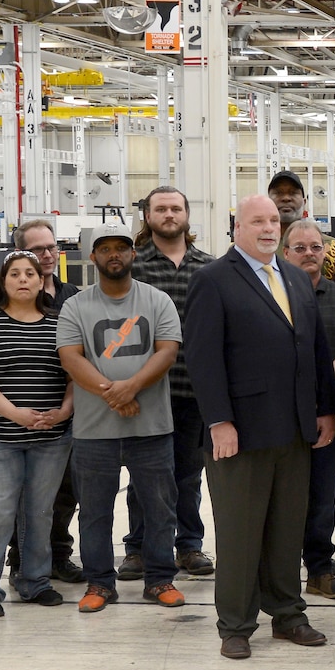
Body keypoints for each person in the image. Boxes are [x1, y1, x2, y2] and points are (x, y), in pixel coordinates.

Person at [187, 195, 335, 659]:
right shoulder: (213, 279)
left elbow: (315, 351)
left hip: (293, 430)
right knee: (239, 532)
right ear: (238, 227)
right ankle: (235, 623)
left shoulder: (294, 276)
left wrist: (326, 409)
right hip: (241, 432)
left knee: (286, 529)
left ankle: (288, 613)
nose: (269, 227)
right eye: (258, 220)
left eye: (275, 220)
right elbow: (202, 357)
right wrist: (219, 421)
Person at [57, 226, 185, 614]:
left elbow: (167, 351)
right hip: (95, 430)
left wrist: (131, 387)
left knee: (160, 507)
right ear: (92, 258)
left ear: (133, 254)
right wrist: (113, 393)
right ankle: (99, 583)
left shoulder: (157, 300)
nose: (114, 255)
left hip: (152, 426)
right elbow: (71, 357)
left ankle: (160, 578)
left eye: (121, 248)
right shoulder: (75, 306)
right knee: (95, 510)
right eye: (105, 249)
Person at [0, 250, 74, 617]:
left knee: (40, 511)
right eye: (15, 274)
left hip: (51, 437)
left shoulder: (61, 323)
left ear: (43, 281)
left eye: (31, 273)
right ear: (3, 282)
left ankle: (34, 581)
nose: (23, 279)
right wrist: (14, 414)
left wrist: (64, 411)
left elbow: (76, 373)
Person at [128, 186, 215, 579]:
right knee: (144, 474)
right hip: (146, 390)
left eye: (175, 207)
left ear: (186, 214)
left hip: (194, 389)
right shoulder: (134, 266)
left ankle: (189, 545)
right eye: (160, 208)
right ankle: (139, 548)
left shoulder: (210, 267)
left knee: (188, 474)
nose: (168, 214)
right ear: (148, 215)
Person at [5, 220, 83, 586]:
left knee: (64, 492)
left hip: (67, 414)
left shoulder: (75, 296)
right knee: (18, 494)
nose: (48, 255)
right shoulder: (8, 299)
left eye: (52, 247)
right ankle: (20, 557)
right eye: (38, 250)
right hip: (16, 417)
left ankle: (59, 554)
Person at [286, 218, 335, 601]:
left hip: (327, 414)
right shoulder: (272, 295)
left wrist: (320, 381)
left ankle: (319, 568)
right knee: (283, 497)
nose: (309, 254)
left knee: (322, 496)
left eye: (316, 247)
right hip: (279, 417)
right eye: (300, 247)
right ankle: (279, 572)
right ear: (286, 253)